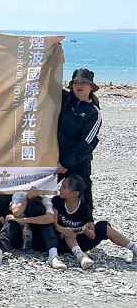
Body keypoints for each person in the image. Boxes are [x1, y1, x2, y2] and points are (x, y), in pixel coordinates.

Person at [52, 175, 137, 269]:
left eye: (64, 187)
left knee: (103, 226)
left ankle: (134, 248)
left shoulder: (84, 208)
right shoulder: (57, 201)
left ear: (75, 193)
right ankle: (81, 257)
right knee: (68, 230)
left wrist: (84, 230)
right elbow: (55, 224)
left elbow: (92, 235)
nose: (60, 189)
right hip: (62, 241)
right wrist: (63, 229)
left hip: (82, 241)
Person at [56, 69, 101, 209]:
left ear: (91, 87)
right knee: (36, 189)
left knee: (80, 198)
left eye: (84, 83)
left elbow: (87, 143)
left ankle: (86, 227)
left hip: (78, 163)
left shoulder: (93, 112)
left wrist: (66, 164)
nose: (79, 86)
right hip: (55, 157)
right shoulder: (66, 99)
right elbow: (47, 86)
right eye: (76, 83)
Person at [0, 186, 66, 270]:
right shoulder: (19, 195)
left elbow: (50, 218)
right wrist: (27, 198)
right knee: (11, 220)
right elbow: (16, 212)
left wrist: (22, 220)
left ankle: (53, 255)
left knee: (46, 223)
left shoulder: (44, 199)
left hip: (36, 240)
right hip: (20, 238)